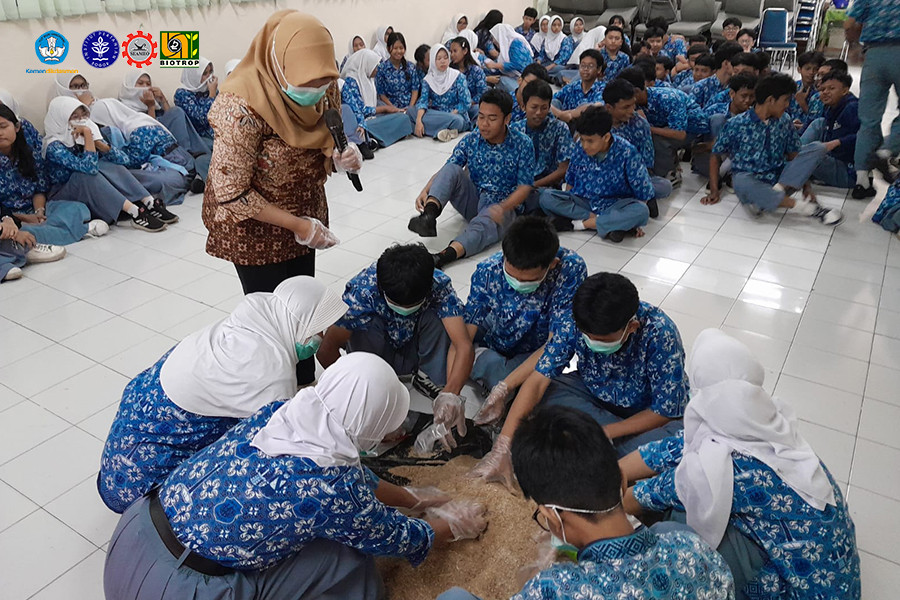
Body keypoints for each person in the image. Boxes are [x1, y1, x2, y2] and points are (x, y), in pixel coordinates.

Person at [104, 352, 488, 600]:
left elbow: (351, 480)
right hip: (177, 590)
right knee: (348, 556)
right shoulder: (332, 487)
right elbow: (396, 536)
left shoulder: (283, 411)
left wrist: (413, 498)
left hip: (132, 537)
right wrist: (452, 524)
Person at [622, 328, 861, 600]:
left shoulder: (733, 466)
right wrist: (615, 471)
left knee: (672, 530)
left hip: (796, 589)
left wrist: (590, 511)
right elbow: (676, 446)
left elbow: (658, 491)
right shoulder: (767, 419)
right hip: (829, 575)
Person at [98, 276, 348, 514]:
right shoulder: (268, 371)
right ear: (299, 324)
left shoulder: (254, 318)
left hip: (122, 452)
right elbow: (283, 445)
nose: (322, 339)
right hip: (138, 487)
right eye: (318, 331)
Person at [201, 11, 361, 375]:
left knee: (303, 306)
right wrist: (296, 224)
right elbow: (231, 191)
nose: (317, 92)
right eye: (308, 83)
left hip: (303, 210)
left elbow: (324, 136)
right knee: (272, 313)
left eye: (324, 82)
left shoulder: (325, 84)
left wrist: (340, 156)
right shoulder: (240, 107)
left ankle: (303, 380)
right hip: (253, 225)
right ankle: (273, 386)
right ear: (278, 63)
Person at [439, 405, 735, 600]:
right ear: (621, 482)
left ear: (552, 518)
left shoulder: (551, 589)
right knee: (667, 527)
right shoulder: (696, 551)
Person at [471, 271, 688, 489]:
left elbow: (664, 411)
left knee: (671, 451)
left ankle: (599, 445)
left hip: (645, 414)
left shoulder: (661, 334)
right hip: (589, 391)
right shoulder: (574, 319)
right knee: (533, 399)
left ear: (631, 328)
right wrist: (503, 447)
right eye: (587, 336)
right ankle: (593, 445)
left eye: (601, 340)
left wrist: (607, 432)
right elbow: (538, 380)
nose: (591, 342)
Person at [318, 244, 473, 449]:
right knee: (364, 322)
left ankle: (429, 387)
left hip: (413, 346)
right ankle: (374, 387)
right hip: (376, 349)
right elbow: (326, 351)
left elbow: (463, 345)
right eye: (397, 304)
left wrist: (451, 394)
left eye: (412, 304)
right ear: (381, 290)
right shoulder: (363, 291)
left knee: (441, 318)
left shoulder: (437, 284)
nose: (404, 310)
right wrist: (354, 390)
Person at [464, 217, 587, 427]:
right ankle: (501, 376)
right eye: (512, 277)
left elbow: (556, 345)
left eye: (528, 280)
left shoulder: (570, 271)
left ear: (552, 265)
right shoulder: (488, 270)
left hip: (538, 352)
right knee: (457, 346)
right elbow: (464, 335)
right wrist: (451, 393)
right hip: (498, 338)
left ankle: (506, 382)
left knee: (539, 389)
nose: (519, 284)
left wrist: (504, 387)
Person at [408, 89, 535, 268]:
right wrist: (427, 189)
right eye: (481, 117)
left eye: (492, 119)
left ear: (507, 119)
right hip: (474, 199)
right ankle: (429, 216)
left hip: (503, 207)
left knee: (481, 227)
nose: (484, 124)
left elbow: (525, 187)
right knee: (452, 168)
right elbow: (449, 167)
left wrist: (502, 207)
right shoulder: (472, 138)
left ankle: (443, 257)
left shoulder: (523, 144)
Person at [704, 73, 844, 226]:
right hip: (751, 180)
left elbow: (794, 155)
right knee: (741, 181)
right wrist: (714, 190)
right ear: (770, 100)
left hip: (780, 178)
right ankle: (809, 209)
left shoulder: (785, 120)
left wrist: (806, 186)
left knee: (816, 148)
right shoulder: (736, 124)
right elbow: (715, 156)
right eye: (785, 100)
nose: (788, 105)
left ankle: (770, 197)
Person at [43, 97, 168, 232]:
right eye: (74, 117)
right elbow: (89, 168)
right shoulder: (53, 146)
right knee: (85, 176)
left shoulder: (81, 136)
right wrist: (88, 135)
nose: (81, 121)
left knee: (109, 165)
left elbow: (124, 161)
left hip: (86, 188)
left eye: (83, 116)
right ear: (60, 119)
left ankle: (148, 202)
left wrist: (100, 144)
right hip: (62, 193)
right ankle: (135, 213)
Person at [540, 106, 656, 240]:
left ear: (606, 137)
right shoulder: (579, 146)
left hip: (614, 205)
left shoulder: (627, 152)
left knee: (641, 211)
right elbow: (570, 180)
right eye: (582, 140)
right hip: (584, 202)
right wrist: (567, 203)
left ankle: (580, 225)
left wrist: (633, 219)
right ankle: (610, 225)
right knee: (546, 197)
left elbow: (644, 192)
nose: (585, 146)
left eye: (590, 141)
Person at [0, 102, 98, 246]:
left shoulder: (27, 145)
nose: (0, 133)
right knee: (18, 233)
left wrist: (39, 212)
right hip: (10, 219)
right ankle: (80, 230)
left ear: (17, 127)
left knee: (76, 208)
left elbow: (40, 184)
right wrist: (21, 219)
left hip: (36, 206)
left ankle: (49, 234)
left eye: (3, 127)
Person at [88, 98, 193, 207]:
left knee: (123, 174)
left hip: (175, 164)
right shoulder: (137, 120)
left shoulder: (137, 130)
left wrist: (107, 149)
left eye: (101, 124)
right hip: (180, 160)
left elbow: (134, 161)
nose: (103, 128)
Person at [119, 71, 211, 192]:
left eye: (148, 83)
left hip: (174, 144)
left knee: (176, 111)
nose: (145, 87)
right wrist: (150, 107)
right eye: (140, 83)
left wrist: (162, 100)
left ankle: (189, 156)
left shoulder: (154, 104)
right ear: (129, 85)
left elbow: (173, 119)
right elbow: (149, 134)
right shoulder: (125, 109)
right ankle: (191, 163)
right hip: (155, 148)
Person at [845, 0, 900, 188]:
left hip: (874, 54)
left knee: (868, 120)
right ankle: (885, 152)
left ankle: (861, 182)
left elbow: (849, 23)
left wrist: (853, 47)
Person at [604, 79, 674, 203]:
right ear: (609, 107)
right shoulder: (596, 121)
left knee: (665, 186)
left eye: (633, 105)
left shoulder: (640, 124)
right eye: (626, 107)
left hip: (631, 176)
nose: (632, 110)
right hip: (600, 175)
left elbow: (646, 164)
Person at [618, 65, 690, 183]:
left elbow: (680, 134)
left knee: (654, 137)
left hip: (691, 131)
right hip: (664, 127)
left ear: (636, 91)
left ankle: (670, 173)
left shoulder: (668, 98)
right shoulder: (634, 103)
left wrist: (648, 128)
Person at [340, 49, 413, 149]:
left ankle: (377, 138)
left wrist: (389, 109)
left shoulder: (368, 79)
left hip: (373, 115)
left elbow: (374, 103)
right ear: (366, 64)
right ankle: (372, 138)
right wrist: (385, 109)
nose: (377, 70)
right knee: (376, 124)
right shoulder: (351, 81)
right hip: (361, 121)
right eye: (375, 66)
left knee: (402, 117)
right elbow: (360, 110)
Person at [799, 71, 858, 190]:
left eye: (831, 88)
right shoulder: (831, 108)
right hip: (834, 158)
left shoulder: (852, 108)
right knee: (819, 123)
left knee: (810, 155)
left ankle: (793, 162)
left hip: (849, 171)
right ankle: (795, 157)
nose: (825, 92)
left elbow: (864, 137)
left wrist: (837, 142)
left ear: (845, 91)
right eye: (823, 89)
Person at [511, 80, 574, 191]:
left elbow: (564, 168)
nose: (539, 112)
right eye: (534, 107)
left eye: (544, 108)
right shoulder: (514, 130)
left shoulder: (560, 128)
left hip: (547, 189)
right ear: (523, 106)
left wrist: (533, 186)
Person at [693, 72, 757, 179]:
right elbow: (696, 144)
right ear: (732, 94)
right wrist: (711, 145)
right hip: (710, 156)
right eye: (744, 96)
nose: (747, 101)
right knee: (718, 119)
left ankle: (724, 174)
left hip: (736, 158)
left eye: (752, 96)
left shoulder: (753, 116)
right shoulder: (715, 109)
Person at [413, 45, 472, 141]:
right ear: (433, 61)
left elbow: (466, 102)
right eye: (439, 58)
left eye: (445, 57)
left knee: (458, 121)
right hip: (438, 115)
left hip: (455, 114)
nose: (443, 61)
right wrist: (419, 121)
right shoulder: (428, 80)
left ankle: (435, 131)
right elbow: (423, 102)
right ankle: (447, 131)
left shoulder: (457, 76)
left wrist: (453, 113)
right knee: (413, 112)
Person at [551, 49, 605, 125]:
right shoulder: (573, 86)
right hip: (563, 123)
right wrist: (560, 114)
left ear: (599, 69)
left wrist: (571, 114)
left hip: (585, 128)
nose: (585, 69)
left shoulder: (602, 88)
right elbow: (549, 101)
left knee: (587, 108)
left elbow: (597, 106)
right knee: (554, 103)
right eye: (583, 65)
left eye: (590, 66)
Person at [375, 32, 421, 113]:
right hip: (390, 109)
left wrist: (410, 108)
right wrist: (393, 108)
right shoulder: (382, 68)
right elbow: (381, 94)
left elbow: (415, 90)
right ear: (389, 48)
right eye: (395, 48)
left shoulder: (410, 67)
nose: (399, 51)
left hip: (410, 108)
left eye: (401, 48)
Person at [484, 24, 535, 95]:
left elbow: (516, 65)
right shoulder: (510, 43)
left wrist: (495, 65)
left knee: (500, 80)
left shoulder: (515, 44)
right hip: (518, 77)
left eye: (494, 37)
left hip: (525, 79)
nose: (493, 41)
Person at [174, 57, 217, 140]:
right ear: (194, 76)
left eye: (210, 72)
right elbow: (201, 121)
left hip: (217, 135)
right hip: (199, 139)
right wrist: (212, 95)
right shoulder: (182, 94)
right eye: (205, 73)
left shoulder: (210, 90)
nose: (209, 77)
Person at [692, 42, 743, 109]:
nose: (740, 67)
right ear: (726, 63)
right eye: (737, 63)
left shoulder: (737, 86)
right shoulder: (701, 87)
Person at [450, 36, 487, 121]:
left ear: (465, 51)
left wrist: (467, 103)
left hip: (471, 106)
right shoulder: (450, 71)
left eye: (455, 51)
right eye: (451, 52)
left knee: (480, 110)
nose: (452, 55)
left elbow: (482, 93)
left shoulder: (476, 71)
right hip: (454, 107)